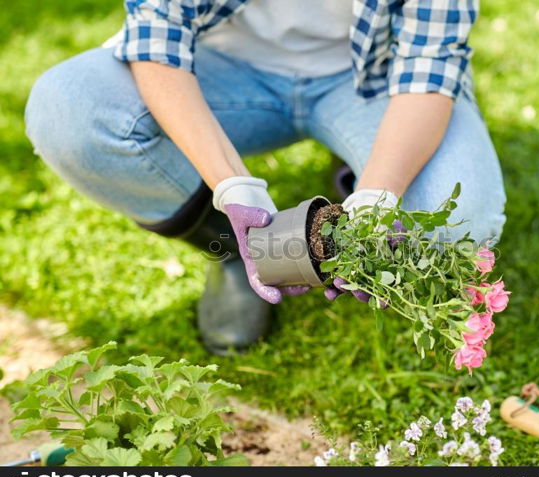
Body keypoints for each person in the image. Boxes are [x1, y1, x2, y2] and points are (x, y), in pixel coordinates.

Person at [24, 0, 506, 355]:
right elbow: (157, 32)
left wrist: (378, 193)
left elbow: (428, 65)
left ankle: (356, 176)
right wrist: (233, 186)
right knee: (69, 110)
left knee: (463, 219)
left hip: (374, 78)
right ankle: (238, 249)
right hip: (226, 68)